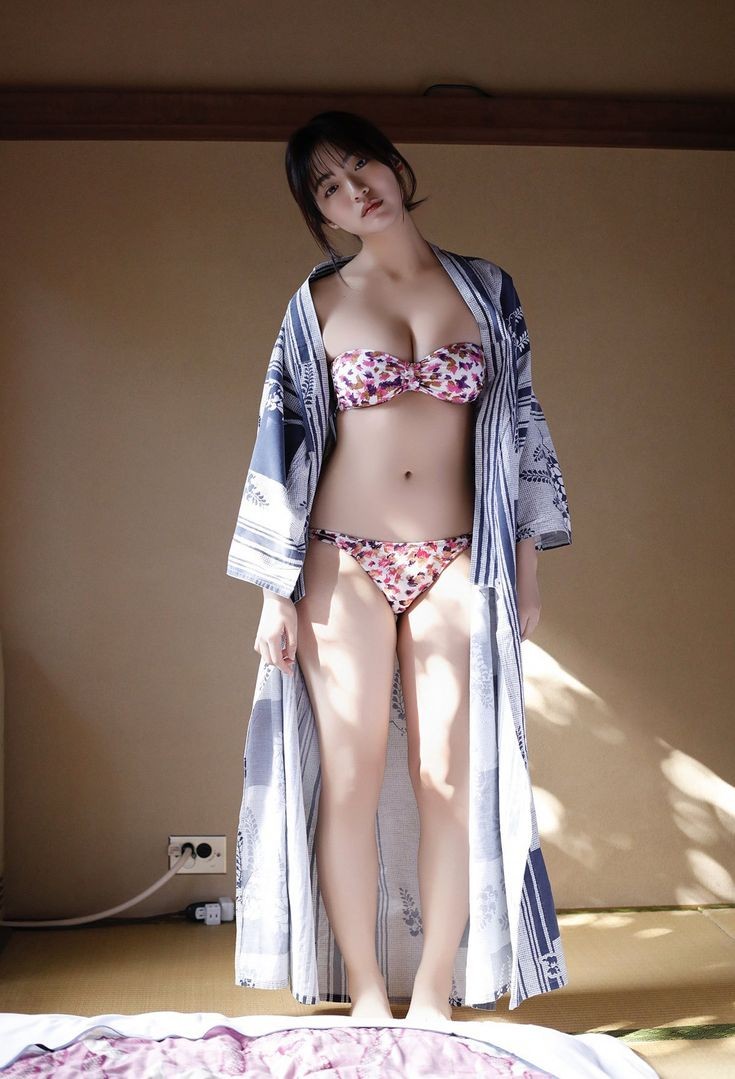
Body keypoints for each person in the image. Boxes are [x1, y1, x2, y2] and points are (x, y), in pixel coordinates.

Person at [227, 110, 572, 1025]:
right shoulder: (317, 303)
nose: (355, 191)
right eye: (330, 188)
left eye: (361, 167)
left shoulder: (486, 290)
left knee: (448, 776)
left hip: (459, 555)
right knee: (348, 774)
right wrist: (272, 591)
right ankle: (369, 995)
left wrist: (526, 564)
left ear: (393, 164)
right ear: (321, 214)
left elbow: (521, 424)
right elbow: (280, 441)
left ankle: (432, 992)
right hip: (340, 554)